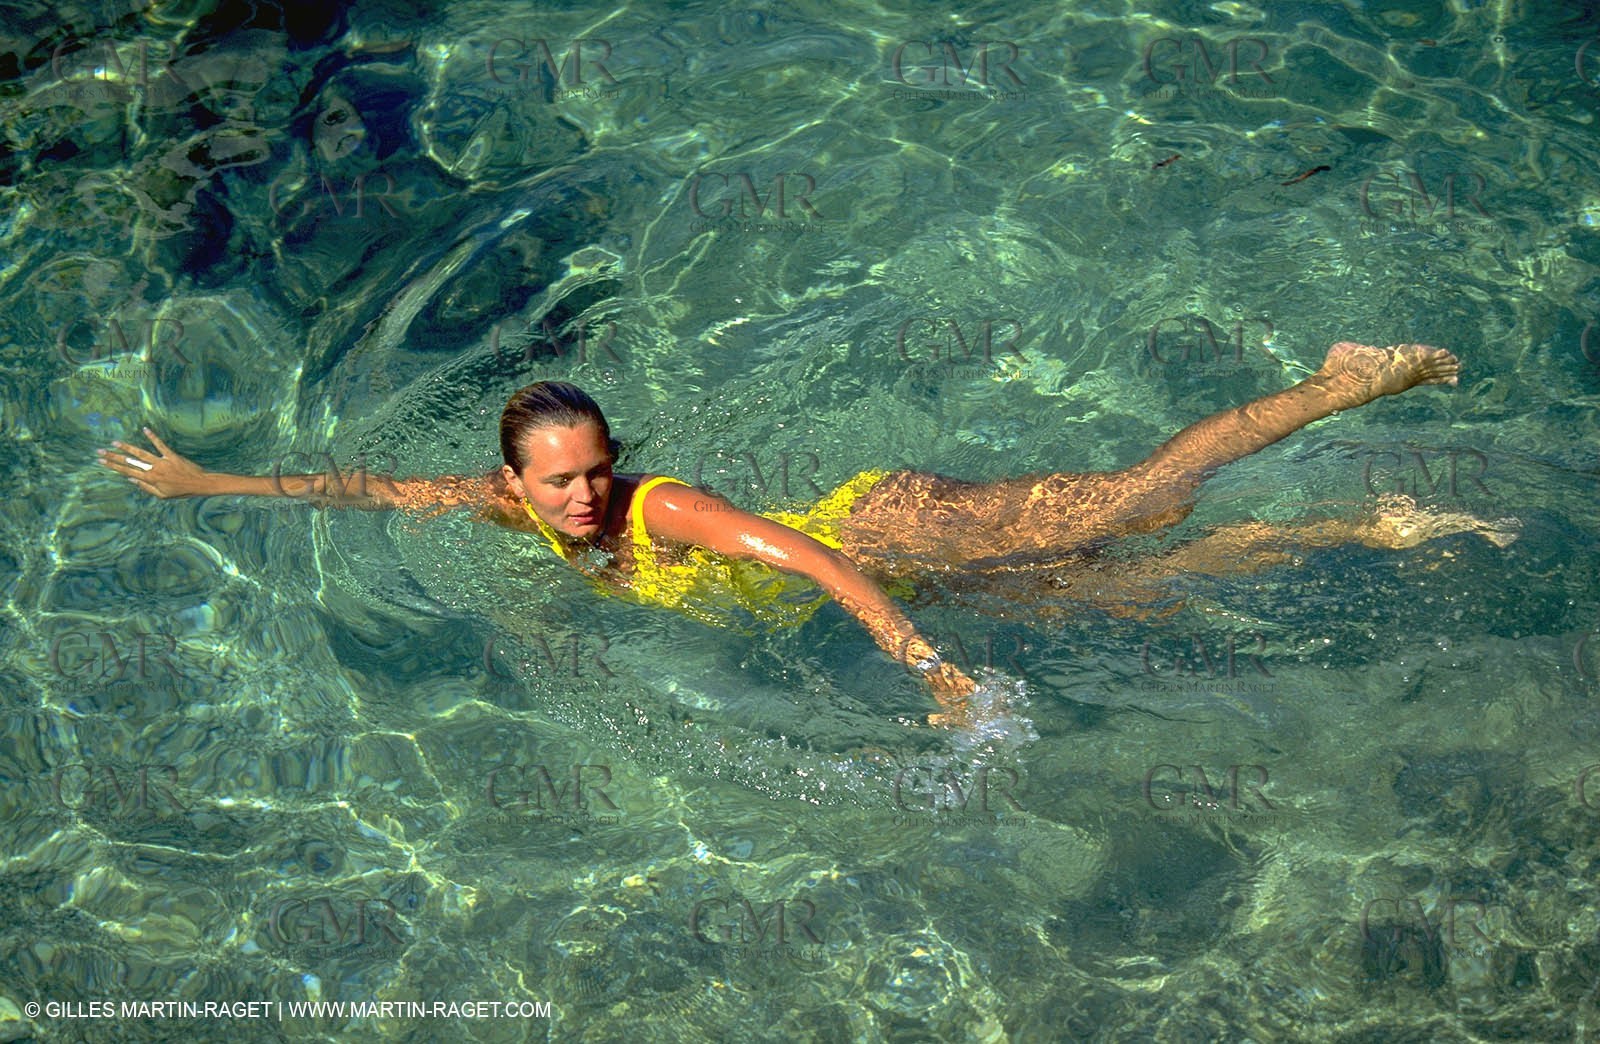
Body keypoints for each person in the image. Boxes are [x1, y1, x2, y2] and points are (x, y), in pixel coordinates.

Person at [96, 341, 1512, 726]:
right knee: (1125, 596)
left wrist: (924, 670)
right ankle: (1366, 526)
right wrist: (207, 487)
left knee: (1141, 500)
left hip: (900, 536)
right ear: (514, 483)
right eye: (558, 482)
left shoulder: (666, 512)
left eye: (595, 470)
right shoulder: (499, 507)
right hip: (902, 577)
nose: (585, 497)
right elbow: (358, 494)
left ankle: (1351, 379)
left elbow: (824, 562)